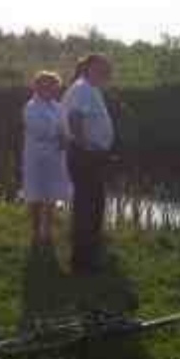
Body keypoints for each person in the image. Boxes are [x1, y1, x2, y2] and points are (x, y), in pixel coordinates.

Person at [62, 54, 115, 274]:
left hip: (91, 154)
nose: (107, 71)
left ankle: (91, 252)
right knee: (87, 206)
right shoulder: (83, 88)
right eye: (102, 67)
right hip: (85, 155)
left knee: (93, 203)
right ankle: (83, 260)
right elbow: (75, 119)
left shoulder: (90, 88)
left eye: (108, 68)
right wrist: (85, 147)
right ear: (90, 67)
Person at [22, 71, 71, 247]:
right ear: (37, 87)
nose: (49, 89)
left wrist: (66, 137)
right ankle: (35, 232)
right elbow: (39, 130)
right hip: (36, 157)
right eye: (44, 85)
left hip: (55, 157)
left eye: (53, 86)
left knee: (51, 196)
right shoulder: (31, 107)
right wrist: (60, 136)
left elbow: (65, 128)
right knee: (35, 195)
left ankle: (47, 232)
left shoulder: (59, 107)